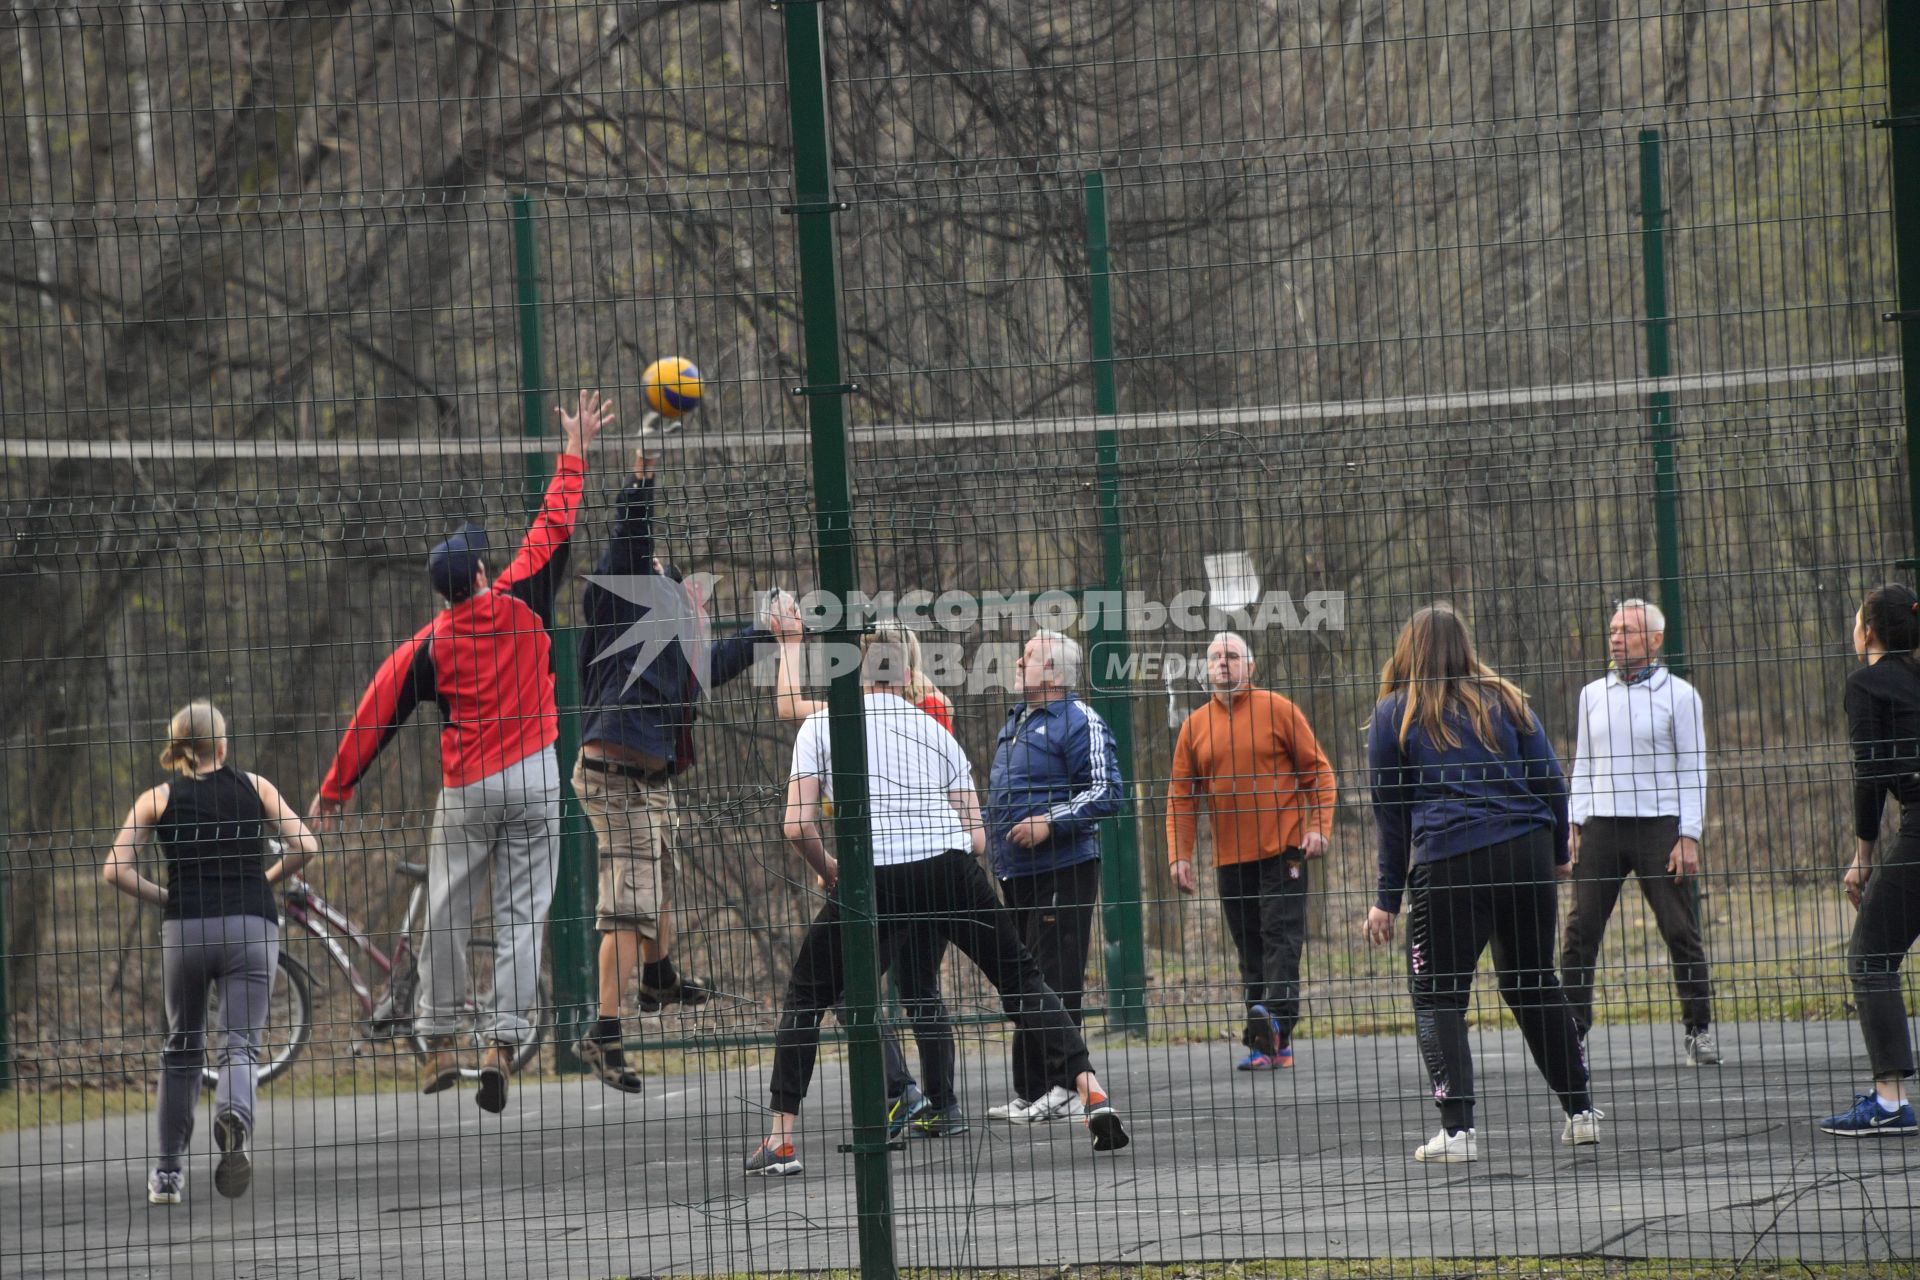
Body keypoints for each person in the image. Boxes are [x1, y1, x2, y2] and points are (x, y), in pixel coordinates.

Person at [311, 390, 612, 1113]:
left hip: (469, 787)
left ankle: (440, 1040)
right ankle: (503, 1044)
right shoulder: (522, 598)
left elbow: (375, 711)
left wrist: (336, 788)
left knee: (447, 911)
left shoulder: (429, 645)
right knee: (520, 915)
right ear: (479, 576)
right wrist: (574, 452)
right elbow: (553, 525)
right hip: (536, 778)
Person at [744, 630, 1129, 1176]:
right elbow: (976, 837)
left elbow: (795, 824)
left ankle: (781, 1140)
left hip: (872, 874)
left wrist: (829, 867)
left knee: (808, 994)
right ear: (907, 676)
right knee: (1020, 978)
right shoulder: (934, 730)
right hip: (949, 868)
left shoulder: (822, 724)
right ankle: (1091, 1091)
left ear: (853, 672)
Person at [1363, 604, 1601, 1163]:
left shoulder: (1394, 715)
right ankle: (1582, 1111)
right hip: (1524, 856)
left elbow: (1391, 818)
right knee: (1533, 982)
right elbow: (1550, 779)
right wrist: (1559, 854)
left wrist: (1386, 900)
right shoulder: (1507, 701)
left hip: (1449, 864)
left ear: (1407, 650)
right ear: (1465, 647)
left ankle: (1458, 1130)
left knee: (1438, 993)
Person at [570, 446, 775, 1093]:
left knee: (658, 885)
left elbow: (710, 668)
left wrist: (766, 631)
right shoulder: (614, 605)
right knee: (629, 905)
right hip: (614, 775)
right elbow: (631, 541)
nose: (658, 568)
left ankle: (659, 978)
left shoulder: (671, 644)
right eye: (653, 567)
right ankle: (603, 1033)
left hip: (654, 783)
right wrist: (641, 483)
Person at [103, 701, 320, 1205]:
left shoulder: (156, 799)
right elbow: (305, 844)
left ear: (180, 752)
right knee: (239, 1042)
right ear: (222, 746)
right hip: (250, 925)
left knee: (181, 1049)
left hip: (187, 930)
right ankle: (235, 1121)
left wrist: (166, 896)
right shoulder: (255, 786)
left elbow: (115, 868)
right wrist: (262, 880)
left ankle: (167, 1176)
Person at [768, 600, 959, 1137]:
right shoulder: (924, 704)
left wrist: (789, 642)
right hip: (934, 866)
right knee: (918, 985)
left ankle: (904, 1092)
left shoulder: (880, 711)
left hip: (891, 866)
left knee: (855, 987)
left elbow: (789, 707)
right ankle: (938, 1104)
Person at [1559, 599, 1719, 1065]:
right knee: (1579, 931)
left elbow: (1693, 769)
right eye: (1612, 629)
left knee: (1679, 929)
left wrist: (1688, 834)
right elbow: (1583, 764)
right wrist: (1573, 823)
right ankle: (1572, 1033)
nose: (1615, 638)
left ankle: (1698, 1031)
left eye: (1627, 630)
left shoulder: (1682, 696)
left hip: (1659, 829)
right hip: (1602, 829)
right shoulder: (1592, 694)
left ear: (1654, 640)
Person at [1167, 631, 1335, 1071]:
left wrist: (1318, 826)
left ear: (1250, 666)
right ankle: (1269, 1047)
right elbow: (1181, 797)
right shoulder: (1194, 726)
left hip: (1284, 849)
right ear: (1206, 669)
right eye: (1216, 657)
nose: (1223, 663)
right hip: (1229, 858)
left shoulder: (1279, 710)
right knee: (1250, 947)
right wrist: (1179, 855)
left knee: (1281, 937)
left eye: (1233, 656)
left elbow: (1319, 773)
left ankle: (1274, 1019)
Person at [984, 629, 1123, 1122]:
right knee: (1022, 979)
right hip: (1013, 873)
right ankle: (1032, 1089)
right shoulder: (1018, 721)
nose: (1017, 663)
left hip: (1063, 868)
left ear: (1056, 675)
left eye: (1028, 657)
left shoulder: (1078, 719)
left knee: (1053, 978)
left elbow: (1108, 791)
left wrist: (1049, 822)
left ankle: (1064, 1087)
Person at [1820, 583, 1920, 1137]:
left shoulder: (1867, 683)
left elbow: (1871, 775)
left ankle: (1888, 1102)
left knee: (1871, 957)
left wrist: (1863, 857)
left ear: (1869, 633)